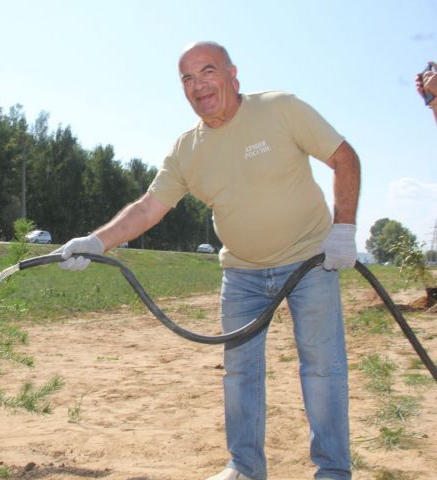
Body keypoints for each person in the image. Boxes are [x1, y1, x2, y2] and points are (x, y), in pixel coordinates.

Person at [58, 42, 360, 480]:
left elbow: (344, 158)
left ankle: (333, 470)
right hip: (241, 273)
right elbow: (147, 207)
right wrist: (96, 242)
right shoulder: (187, 150)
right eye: (187, 78)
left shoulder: (281, 109)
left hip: (310, 263)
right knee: (239, 372)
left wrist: (344, 229)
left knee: (322, 367)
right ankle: (244, 466)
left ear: (233, 75)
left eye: (207, 71)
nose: (198, 85)